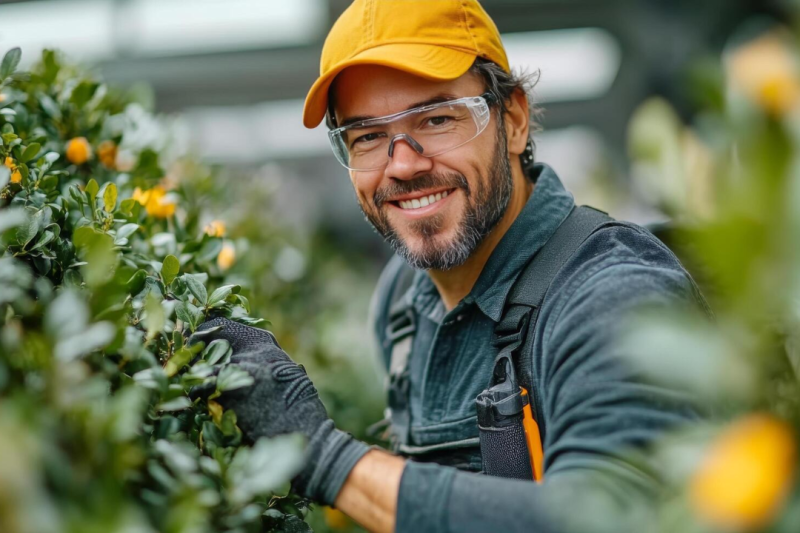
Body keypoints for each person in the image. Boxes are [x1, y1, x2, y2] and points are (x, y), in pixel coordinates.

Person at [191, 1, 710, 531]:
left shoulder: (611, 295)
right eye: (367, 136)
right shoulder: (401, 299)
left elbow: (614, 518)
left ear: (512, 119)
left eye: (437, 119)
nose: (404, 164)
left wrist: (325, 457)